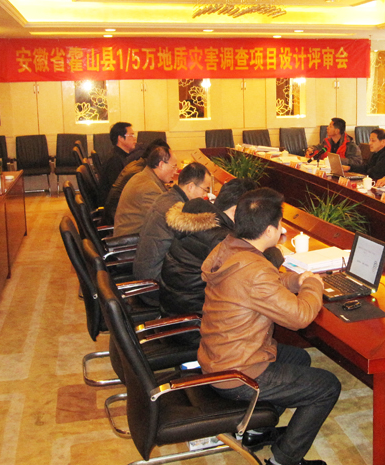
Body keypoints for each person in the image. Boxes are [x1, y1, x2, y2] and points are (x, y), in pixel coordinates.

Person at [198, 188, 340, 465]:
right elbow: (300, 317)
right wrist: (313, 284)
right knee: (327, 386)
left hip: (219, 356)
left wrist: (295, 281)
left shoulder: (231, 247)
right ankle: (283, 460)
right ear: (268, 230)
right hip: (238, 374)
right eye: (280, 223)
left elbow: (262, 284)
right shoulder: (254, 269)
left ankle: (257, 430)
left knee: (299, 358)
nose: (283, 229)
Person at [159, 178, 260, 316]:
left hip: (174, 306)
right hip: (196, 316)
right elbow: (250, 277)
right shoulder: (220, 238)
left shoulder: (196, 218)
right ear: (236, 210)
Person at [132, 162, 212, 294]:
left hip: (145, 272)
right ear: (191, 187)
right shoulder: (178, 210)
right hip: (155, 283)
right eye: (205, 189)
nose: (205, 195)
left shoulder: (166, 197)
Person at [102, 139, 171, 225]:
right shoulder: (141, 174)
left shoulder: (138, 164)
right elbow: (158, 213)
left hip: (120, 215)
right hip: (117, 220)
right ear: (159, 161)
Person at [112, 147, 177, 237]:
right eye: (174, 166)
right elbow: (166, 221)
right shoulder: (148, 187)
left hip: (136, 235)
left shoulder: (144, 176)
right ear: (161, 165)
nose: (176, 171)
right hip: (132, 241)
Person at [99, 121, 137, 195]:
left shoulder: (120, 155)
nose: (134, 139)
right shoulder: (114, 160)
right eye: (131, 135)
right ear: (120, 138)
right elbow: (119, 189)